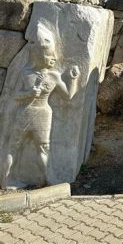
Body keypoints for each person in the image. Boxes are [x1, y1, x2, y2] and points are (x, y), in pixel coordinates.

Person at [1, 30, 80, 189]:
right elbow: (15, 96)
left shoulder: (53, 76)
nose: (54, 58)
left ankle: (46, 180)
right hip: (29, 113)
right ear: (38, 55)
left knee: (40, 148)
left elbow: (68, 96)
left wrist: (73, 78)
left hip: (40, 114)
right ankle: (6, 181)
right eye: (49, 55)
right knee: (16, 148)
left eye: (53, 56)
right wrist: (29, 93)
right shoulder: (25, 73)